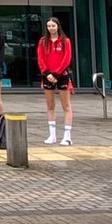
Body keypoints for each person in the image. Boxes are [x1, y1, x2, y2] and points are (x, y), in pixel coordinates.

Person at [37, 16, 75, 145]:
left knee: (66, 106)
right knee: (50, 105)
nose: (51, 28)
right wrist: (47, 73)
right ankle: (52, 135)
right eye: (48, 26)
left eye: (53, 26)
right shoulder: (43, 41)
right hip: (47, 76)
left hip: (61, 75)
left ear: (58, 26)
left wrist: (56, 74)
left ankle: (67, 136)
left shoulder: (65, 41)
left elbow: (67, 59)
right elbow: (40, 58)